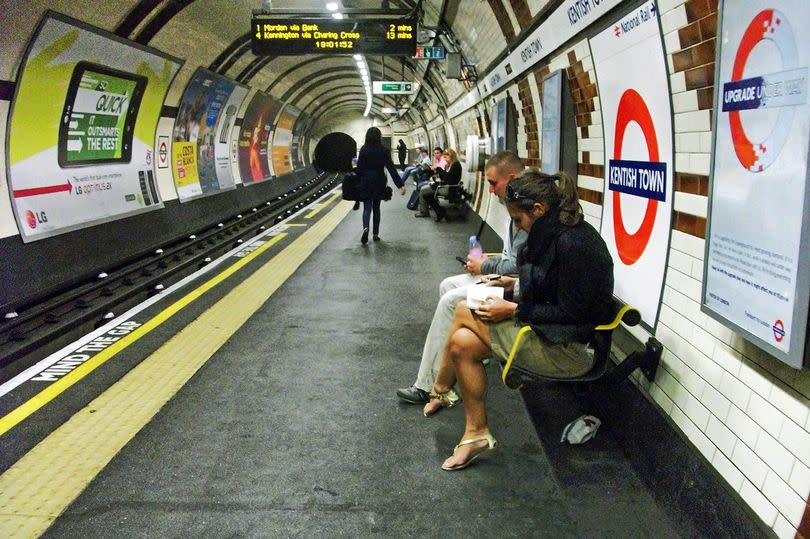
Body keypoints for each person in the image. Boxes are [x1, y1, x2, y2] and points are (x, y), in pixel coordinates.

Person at [424, 170, 615, 471]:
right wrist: (512, 286)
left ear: (538, 210)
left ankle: (440, 389)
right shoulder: (556, 235)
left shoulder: (575, 245)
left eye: (518, 219)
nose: (518, 227)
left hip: (572, 351)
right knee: (462, 344)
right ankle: (475, 433)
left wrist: (512, 310)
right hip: (550, 336)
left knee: (463, 310)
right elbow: (547, 283)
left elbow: (574, 315)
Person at [396, 150, 526, 403]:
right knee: (448, 285)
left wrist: (486, 266)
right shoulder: (516, 207)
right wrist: (485, 263)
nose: (489, 190)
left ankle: (427, 385)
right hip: (507, 277)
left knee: (451, 301)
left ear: (511, 178)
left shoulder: (529, 209)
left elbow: (520, 265)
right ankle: (460, 359)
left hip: (519, 284)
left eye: (492, 183)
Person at [355, 127, 406, 244]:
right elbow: (391, 168)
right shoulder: (384, 150)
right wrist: (400, 185)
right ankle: (375, 234)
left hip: (366, 181)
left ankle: (365, 228)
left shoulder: (364, 149)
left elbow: (359, 169)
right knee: (376, 208)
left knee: (367, 208)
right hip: (379, 181)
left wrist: (355, 180)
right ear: (379, 137)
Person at [415, 148, 461, 221]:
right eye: (444, 157)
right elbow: (445, 177)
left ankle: (425, 212)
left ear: (452, 157)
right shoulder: (449, 165)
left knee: (423, 190)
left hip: (449, 188)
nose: (445, 159)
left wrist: (439, 170)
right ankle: (440, 211)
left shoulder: (455, 166)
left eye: (446, 157)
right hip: (444, 185)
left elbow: (449, 179)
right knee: (426, 194)